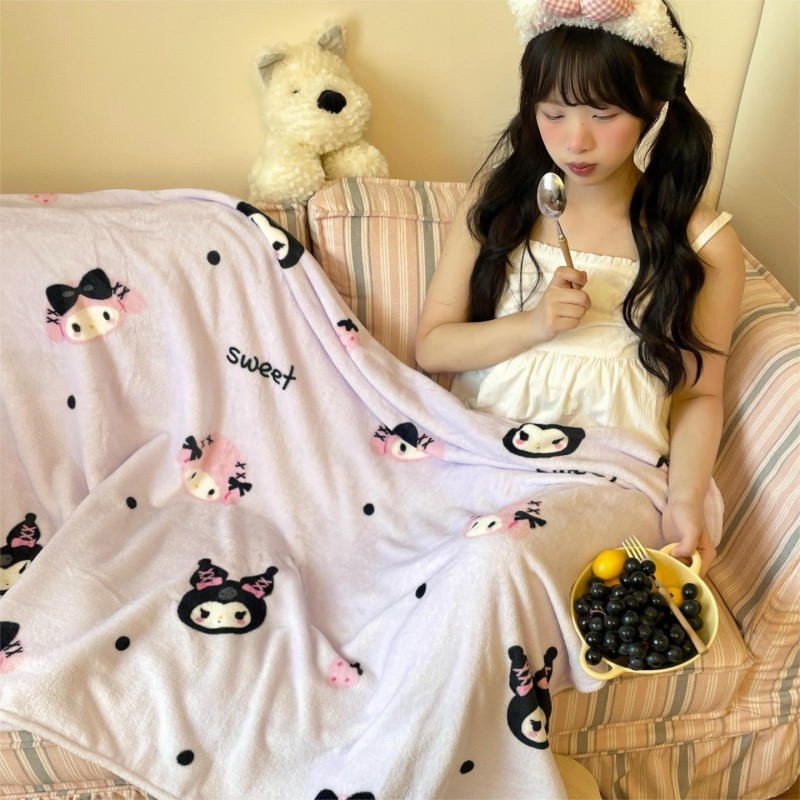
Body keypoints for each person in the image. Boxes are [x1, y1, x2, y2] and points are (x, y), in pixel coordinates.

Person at [415, 0, 745, 573]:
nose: (576, 142)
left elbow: (698, 396)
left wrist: (686, 499)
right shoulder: (497, 206)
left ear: (652, 107)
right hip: (480, 457)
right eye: (554, 113)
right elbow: (432, 347)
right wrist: (534, 324)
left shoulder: (703, 244)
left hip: (608, 479)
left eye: (603, 113)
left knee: (502, 561)